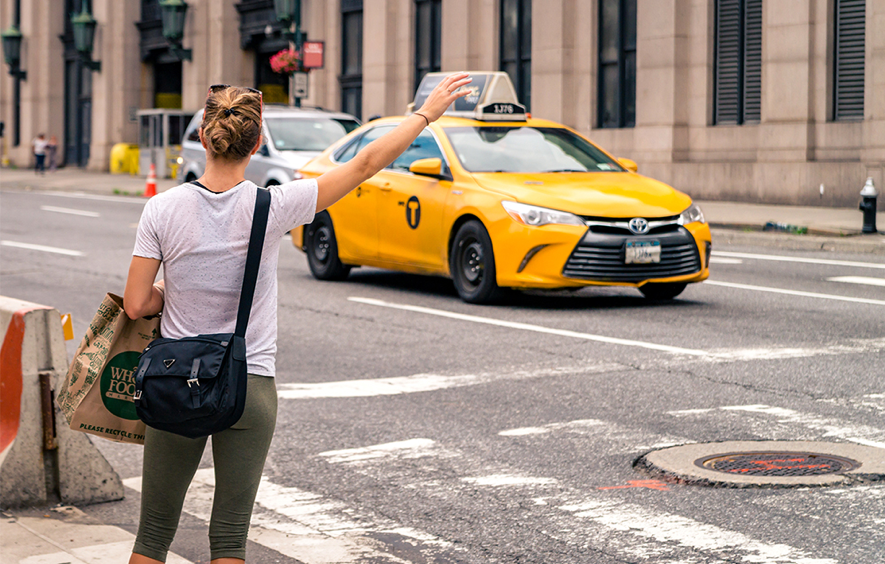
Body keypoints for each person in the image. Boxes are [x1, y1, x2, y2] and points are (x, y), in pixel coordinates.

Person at [123, 72, 471, 564]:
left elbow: (136, 305)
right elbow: (366, 163)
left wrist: (165, 290)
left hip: (176, 383)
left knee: (154, 535)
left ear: (203, 135)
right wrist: (425, 113)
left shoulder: (162, 209)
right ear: (257, 142)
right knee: (229, 537)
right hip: (250, 385)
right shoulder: (275, 205)